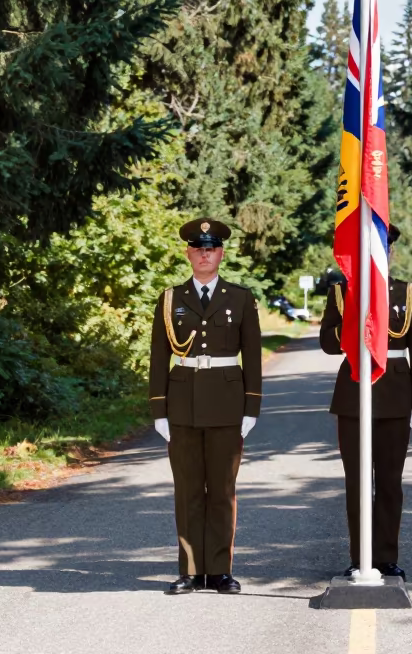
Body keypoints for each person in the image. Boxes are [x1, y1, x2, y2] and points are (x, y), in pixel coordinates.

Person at [150, 218, 262, 594]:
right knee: (187, 492)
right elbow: (157, 358)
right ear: (188, 254)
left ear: (221, 254)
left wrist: (251, 408)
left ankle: (219, 571)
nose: (204, 254)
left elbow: (253, 358)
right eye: (198, 249)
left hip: (228, 405)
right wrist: (158, 410)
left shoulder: (241, 298)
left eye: (210, 248)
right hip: (182, 404)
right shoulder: (169, 299)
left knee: (222, 491)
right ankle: (190, 571)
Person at [319, 224, 412, 580]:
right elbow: (326, 342)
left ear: (390, 252)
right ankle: (360, 556)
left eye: (381, 247)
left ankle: (386, 556)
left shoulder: (407, 293)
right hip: (353, 393)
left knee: (390, 484)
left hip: (396, 394)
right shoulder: (341, 292)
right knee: (357, 483)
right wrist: (354, 313)